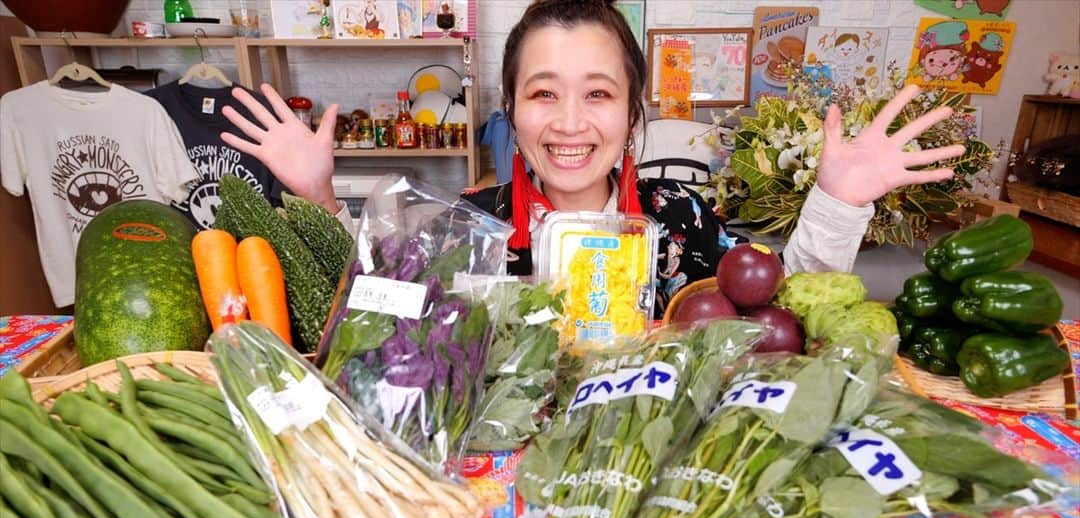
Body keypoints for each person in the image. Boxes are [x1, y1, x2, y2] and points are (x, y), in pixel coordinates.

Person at [220, 0, 964, 314]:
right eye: (544, 94)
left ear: (633, 112)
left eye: (599, 95)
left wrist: (837, 202)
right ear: (511, 110)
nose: (570, 123)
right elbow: (373, 302)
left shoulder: (682, 222)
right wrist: (317, 197)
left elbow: (779, 314)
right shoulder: (464, 227)